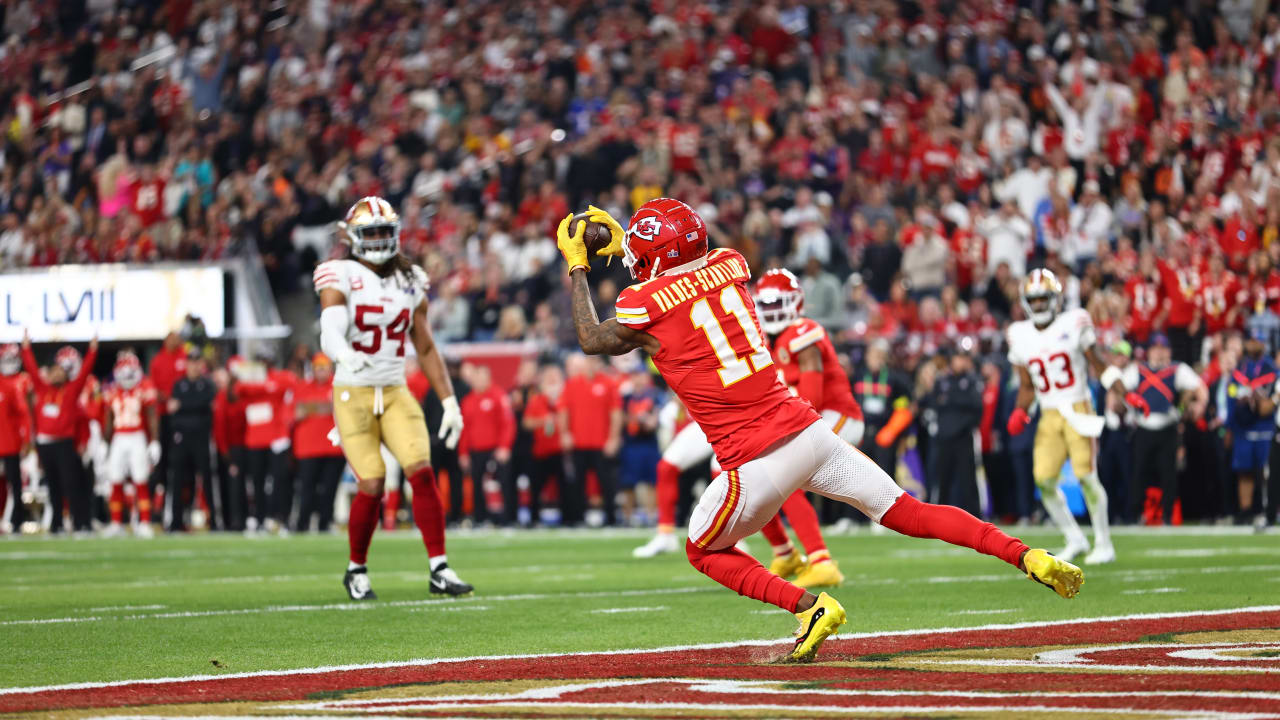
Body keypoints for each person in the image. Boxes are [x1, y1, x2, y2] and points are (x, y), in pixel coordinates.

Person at [561, 199, 1081, 662]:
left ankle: (809, 607)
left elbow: (591, 337)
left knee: (702, 549)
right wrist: (638, 243)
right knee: (908, 510)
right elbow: (682, 274)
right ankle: (1026, 554)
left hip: (754, 458)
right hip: (809, 432)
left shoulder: (644, 304)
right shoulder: (730, 264)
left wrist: (579, 267)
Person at [316, 195, 471, 600]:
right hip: (353, 392)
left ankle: (440, 567)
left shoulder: (411, 279)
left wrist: (449, 400)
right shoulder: (339, 273)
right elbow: (329, 326)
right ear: (353, 237)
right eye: (373, 232)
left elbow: (425, 346)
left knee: (421, 469)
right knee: (372, 482)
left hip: (396, 388)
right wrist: (344, 354)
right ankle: (356, 569)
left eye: (387, 231)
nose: (382, 239)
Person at [753, 267, 867, 586]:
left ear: (796, 303)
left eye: (780, 304)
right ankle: (785, 553)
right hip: (804, 420)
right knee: (752, 475)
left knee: (784, 476)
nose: (774, 312)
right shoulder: (767, 341)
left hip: (834, 415)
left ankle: (820, 560)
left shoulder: (803, 330)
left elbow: (811, 397)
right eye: (768, 305)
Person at [1007, 269, 1123, 565]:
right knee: (1043, 480)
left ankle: (1104, 543)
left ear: (1055, 299)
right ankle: (1075, 538)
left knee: (1087, 476)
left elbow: (1097, 362)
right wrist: (1020, 411)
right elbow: (1026, 385)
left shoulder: (1074, 321)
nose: (1040, 304)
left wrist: (1123, 390)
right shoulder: (1018, 334)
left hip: (1078, 408)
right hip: (1048, 413)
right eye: (1034, 299)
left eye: (1044, 298)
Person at [1114, 333, 1207, 525]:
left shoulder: (1177, 369)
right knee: (1139, 472)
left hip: (1168, 426)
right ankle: (1136, 514)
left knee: (1168, 474)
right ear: (1148, 351)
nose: (1159, 353)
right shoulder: (1137, 369)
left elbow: (1199, 387)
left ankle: (1167, 516)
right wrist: (1120, 405)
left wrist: (1199, 405)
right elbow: (1119, 388)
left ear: (1169, 351)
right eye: (1155, 349)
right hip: (1143, 426)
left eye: (1163, 349)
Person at [21, 332, 98, 534]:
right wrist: (26, 348)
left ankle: (81, 522)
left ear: (66, 374)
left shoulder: (71, 391)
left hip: (64, 444)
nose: (56, 375)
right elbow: (30, 368)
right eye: (53, 371)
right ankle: (57, 524)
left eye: (60, 371)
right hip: (45, 444)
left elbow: (85, 373)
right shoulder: (42, 389)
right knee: (53, 487)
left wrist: (92, 351)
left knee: (72, 486)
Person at [920, 344, 985, 516]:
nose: (961, 362)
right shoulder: (942, 380)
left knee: (968, 480)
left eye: (964, 358)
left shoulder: (972, 380)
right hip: (944, 438)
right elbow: (933, 403)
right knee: (942, 479)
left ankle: (976, 517)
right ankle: (940, 517)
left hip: (963, 437)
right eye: (958, 358)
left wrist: (951, 403)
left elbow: (977, 408)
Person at [101, 351, 161, 538]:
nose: (127, 377)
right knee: (115, 479)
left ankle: (144, 522)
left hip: (137, 436)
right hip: (119, 437)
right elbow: (109, 417)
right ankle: (116, 522)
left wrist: (154, 441)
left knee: (140, 479)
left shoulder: (144, 387)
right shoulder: (112, 390)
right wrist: (106, 442)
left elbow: (152, 415)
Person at [558, 353, 622, 526]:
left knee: (607, 483)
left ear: (599, 364)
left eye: (594, 362)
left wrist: (613, 438)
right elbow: (563, 411)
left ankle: (611, 519)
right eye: (588, 362)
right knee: (577, 483)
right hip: (579, 443)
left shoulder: (608, 384)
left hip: (601, 444)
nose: (591, 365)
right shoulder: (572, 384)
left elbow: (615, 413)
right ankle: (578, 518)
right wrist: (565, 433)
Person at [1225, 333, 1275, 526]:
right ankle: (1245, 511)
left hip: (1265, 427)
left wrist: (1261, 400)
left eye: (1258, 341)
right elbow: (1231, 395)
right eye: (1251, 341)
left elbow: (1273, 395)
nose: (1254, 345)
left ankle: (1268, 508)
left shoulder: (1271, 368)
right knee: (1244, 471)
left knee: (1267, 472)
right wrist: (1229, 427)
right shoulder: (1240, 368)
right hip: (1243, 427)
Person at [458, 364, 516, 525]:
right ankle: (480, 519)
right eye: (477, 378)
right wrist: (463, 453)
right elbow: (464, 429)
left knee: (502, 485)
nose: (479, 381)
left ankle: (506, 519)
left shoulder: (498, 396)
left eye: (482, 378)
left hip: (495, 450)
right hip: (476, 450)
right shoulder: (468, 401)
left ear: (489, 379)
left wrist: (504, 447)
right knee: (477, 486)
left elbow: (508, 424)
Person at [292, 353, 344, 532]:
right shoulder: (302, 387)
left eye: (324, 367)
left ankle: (325, 522)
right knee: (307, 489)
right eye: (318, 367)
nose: (321, 371)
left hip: (333, 447)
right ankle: (302, 523)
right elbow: (296, 412)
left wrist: (312, 408)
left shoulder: (339, 386)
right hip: (308, 448)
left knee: (329, 489)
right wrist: (323, 407)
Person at [168, 347, 216, 532]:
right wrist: (196, 405)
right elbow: (174, 412)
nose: (194, 367)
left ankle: (214, 521)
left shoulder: (207, 385)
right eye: (191, 363)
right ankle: (176, 522)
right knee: (178, 480)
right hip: (182, 439)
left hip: (202, 438)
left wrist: (183, 405)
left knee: (207, 480)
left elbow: (207, 405)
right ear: (186, 365)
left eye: (197, 363)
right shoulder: (179, 385)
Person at [521, 365, 567, 526]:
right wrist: (543, 421)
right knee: (536, 486)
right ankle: (534, 518)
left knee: (565, 486)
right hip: (541, 450)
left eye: (555, 378)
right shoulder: (536, 400)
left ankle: (568, 518)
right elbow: (526, 423)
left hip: (561, 450)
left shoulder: (565, 398)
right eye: (549, 379)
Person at [0, 345, 32, 530]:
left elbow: (23, 414)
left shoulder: (11, 386)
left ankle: (17, 521)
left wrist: (26, 439)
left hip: (10, 443)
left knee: (15, 484)